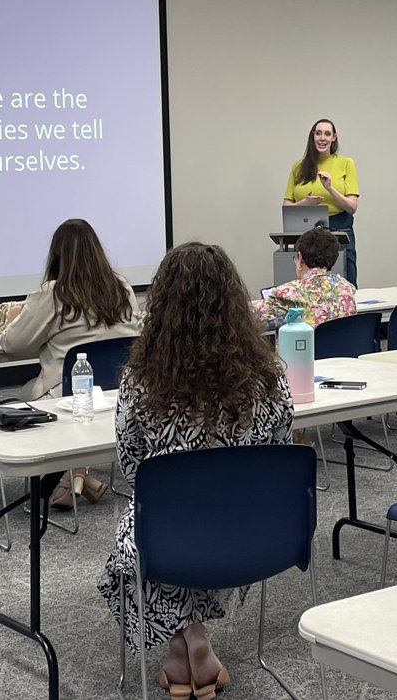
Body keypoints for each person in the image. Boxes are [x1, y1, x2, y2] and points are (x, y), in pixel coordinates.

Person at [97, 242, 292, 697]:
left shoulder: (139, 381)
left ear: (162, 306)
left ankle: (184, 643)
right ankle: (195, 641)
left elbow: (133, 467)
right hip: (252, 530)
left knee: (147, 525)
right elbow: (280, 453)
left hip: (167, 532)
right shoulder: (269, 377)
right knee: (181, 520)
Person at [0, 218, 140, 509]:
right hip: (115, 394)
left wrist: (16, 318)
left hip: (65, 397)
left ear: (56, 255)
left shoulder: (54, 293)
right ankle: (76, 476)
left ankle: (70, 476)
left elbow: (13, 345)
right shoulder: (121, 287)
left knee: (23, 394)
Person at [283, 118, 359, 286]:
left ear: (334, 138)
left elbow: (352, 207)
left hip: (339, 227)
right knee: (307, 286)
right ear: (312, 137)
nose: (322, 138)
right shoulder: (299, 166)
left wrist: (330, 188)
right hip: (304, 230)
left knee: (347, 282)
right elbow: (286, 206)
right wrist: (305, 203)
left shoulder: (346, 163)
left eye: (327, 133)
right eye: (318, 133)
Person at [253, 226, 355, 330]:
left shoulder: (287, 294)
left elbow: (251, 318)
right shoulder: (347, 288)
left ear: (300, 258)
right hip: (342, 341)